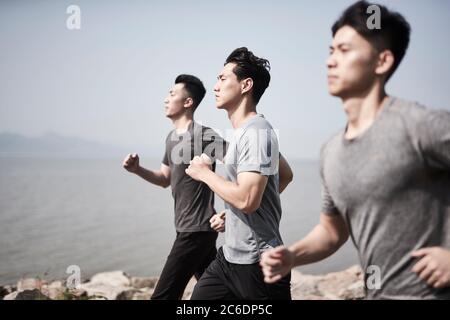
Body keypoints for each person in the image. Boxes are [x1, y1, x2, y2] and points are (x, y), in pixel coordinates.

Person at [260, 1, 450, 300]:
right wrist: (292, 255)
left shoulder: (420, 126)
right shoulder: (331, 151)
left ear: (382, 61)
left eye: (345, 50)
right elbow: (332, 232)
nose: (330, 61)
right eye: (331, 50)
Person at [186, 47, 293, 300]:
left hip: (257, 262)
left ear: (246, 85)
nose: (215, 87)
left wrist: (204, 174)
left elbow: (247, 200)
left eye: (222, 79)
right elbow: (285, 175)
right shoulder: (245, 132)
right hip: (229, 258)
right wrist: (231, 210)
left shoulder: (257, 132)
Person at [123, 74, 227, 300]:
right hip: (189, 228)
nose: (165, 99)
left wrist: (230, 211)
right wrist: (137, 170)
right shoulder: (171, 137)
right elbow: (164, 179)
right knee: (219, 294)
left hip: (195, 230)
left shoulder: (204, 135)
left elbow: (241, 165)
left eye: (171, 94)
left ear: (188, 102)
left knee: (163, 296)